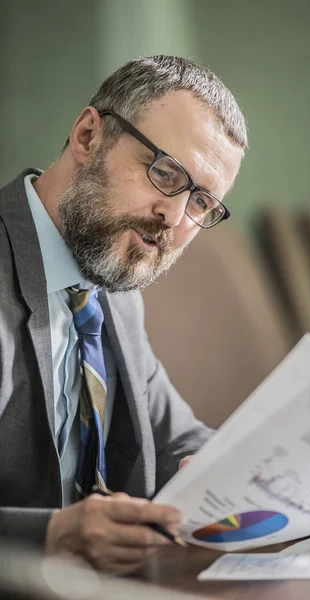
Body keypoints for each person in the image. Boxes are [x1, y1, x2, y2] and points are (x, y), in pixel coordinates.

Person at [0, 56, 246, 573]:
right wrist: (49, 535)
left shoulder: (109, 284)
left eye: (201, 202)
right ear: (89, 136)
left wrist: (242, 468)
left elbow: (174, 434)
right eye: (165, 173)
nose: (175, 217)